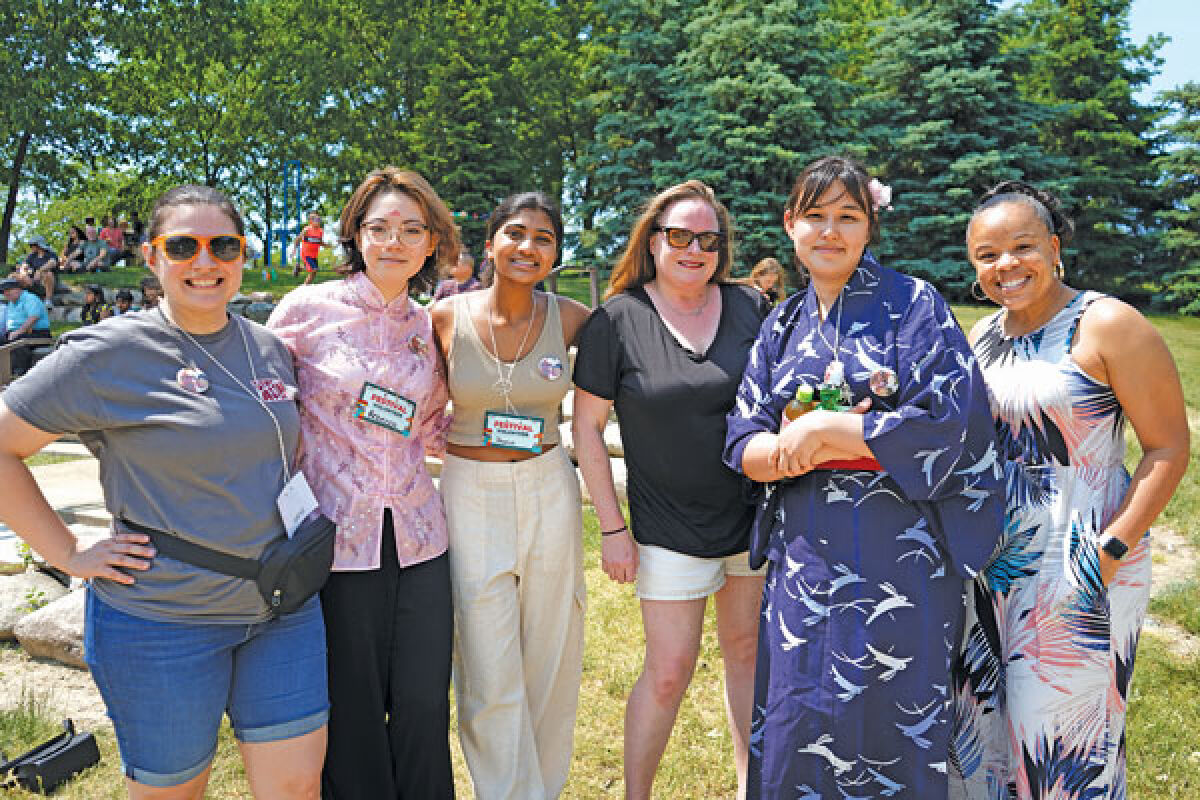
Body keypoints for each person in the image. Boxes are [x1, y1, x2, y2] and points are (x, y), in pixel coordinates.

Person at [0, 185, 328, 798]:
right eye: (183, 246)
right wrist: (68, 551)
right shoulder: (107, 355)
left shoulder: (270, 349)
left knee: (295, 791)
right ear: (153, 258)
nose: (205, 261)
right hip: (163, 622)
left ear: (242, 256)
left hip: (282, 609)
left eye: (222, 245)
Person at [722, 155, 1005, 799]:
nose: (830, 231)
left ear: (869, 226)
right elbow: (743, 437)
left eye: (847, 217)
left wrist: (829, 435)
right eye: (814, 216)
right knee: (799, 719)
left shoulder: (914, 305)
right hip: (804, 566)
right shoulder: (782, 324)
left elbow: (950, 423)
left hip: (898, 559)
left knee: (893, 720)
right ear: (790, 225)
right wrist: (788, 451)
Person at [949, 182, 1190, 800]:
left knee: (1063, 755)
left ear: (1054, 248)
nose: (1006, 265)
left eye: (1023, 246)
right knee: (985, 743)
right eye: (987, 254)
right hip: (993, 573)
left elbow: (1168, 447)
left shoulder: (1106, 323)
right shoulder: (984, 337)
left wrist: (1108, 551)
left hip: (1077, 567)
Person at [572, 180, 769, 800]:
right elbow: (586, 428)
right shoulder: (617, 319)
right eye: (679, 237)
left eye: (708, 239)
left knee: (747, 655)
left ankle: (751, 788)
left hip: (752, 517)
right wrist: (612, 529)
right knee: (669, 671)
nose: (694, 250)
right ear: (652, 242)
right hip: (666, 529)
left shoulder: (751, 307)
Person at [268, 168, 459, 799]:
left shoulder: (427, 326)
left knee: (425, 705)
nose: (395, 242)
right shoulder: (303, 310)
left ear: (430, 243)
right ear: (356, 233)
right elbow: (263, 414)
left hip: (420, 539)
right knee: (352, 711)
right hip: (337, 543)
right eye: (379, 228)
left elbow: (432, 427)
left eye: (412, 229)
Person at [429, 192, 590, 800]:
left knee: (551, 646)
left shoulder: (572, 318)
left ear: (556, 252)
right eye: (516, 234)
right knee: (486, 657)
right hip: (469, 491)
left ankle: (542, 789)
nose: (528, 247)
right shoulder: (444, 318)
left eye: (544, 238)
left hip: (548, 482)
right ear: (491, 240)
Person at [1, 278, 52, 376]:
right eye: (4, 291)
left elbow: (34, 317)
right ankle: (4, 373)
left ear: (18, 289)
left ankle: (19, 372)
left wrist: (19, 331)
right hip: (19, 333)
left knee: (18, 341)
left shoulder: (30, 298)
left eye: (9, 290)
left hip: (38, 333)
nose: (6, 293)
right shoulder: (12, 302)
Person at [20, 235, 60, 306]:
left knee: (48, 274)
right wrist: (24, 274)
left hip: (47, 282)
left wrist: (39, 271)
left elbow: (52, 263)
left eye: (32, 245)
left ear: (39, 245)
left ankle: (48, 301)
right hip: (33, 281)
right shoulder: (32, 256)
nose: (31, 247)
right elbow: (24, 266)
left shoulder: (50, 254)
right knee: (14, 276)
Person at [291, 212, 326, 285]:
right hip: (306, 254)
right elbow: (297, 239)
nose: (318, 221)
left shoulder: (320, 231)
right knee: (314, 269)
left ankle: (299, 268)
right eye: (316, 219)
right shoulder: (307, 230)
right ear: (311, 221)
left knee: (314, 272)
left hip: (314, 254)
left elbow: (320, 242)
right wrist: (294, 250)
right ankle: (305, 286)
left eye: (319, 219)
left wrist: (328, 245)